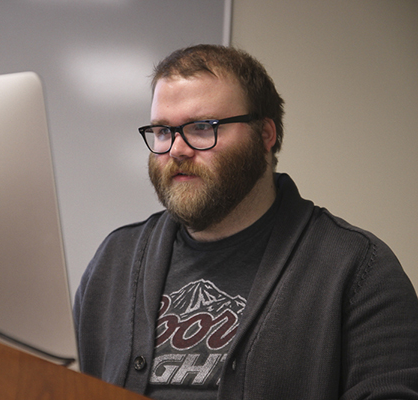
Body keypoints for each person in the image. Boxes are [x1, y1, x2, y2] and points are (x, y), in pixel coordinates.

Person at [73, 44, 418, 399]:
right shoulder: (115, 261)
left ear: (265, 134)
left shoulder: (358, 269)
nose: (176, 149)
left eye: (202, 127)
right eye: (163, 131)